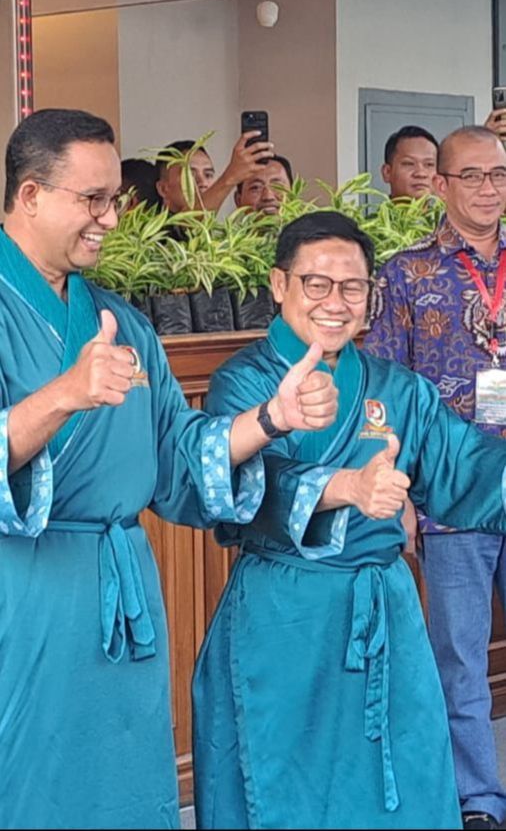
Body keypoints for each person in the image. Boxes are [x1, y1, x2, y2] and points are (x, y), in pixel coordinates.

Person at [0, 108, 339, 830]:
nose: (111, 220)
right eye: (92, 200)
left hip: (122, 597)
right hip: (24, 598)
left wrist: (270, 417)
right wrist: (64, 393)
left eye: (114, 200)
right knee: (29, 778)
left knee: (126, 782)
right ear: (29, 195)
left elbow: (180, 461)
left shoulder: (120, 319)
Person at [192, 209, 506, 831]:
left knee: (402, 776)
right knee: (285, 785)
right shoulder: (242, 381)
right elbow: (241, 489)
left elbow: (466, 467)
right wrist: (347, 487)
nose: (335, 302)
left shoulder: (399, 388)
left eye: (353, 287)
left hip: (385, 606)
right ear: (279, 285)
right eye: (317, 284)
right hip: (285, 615)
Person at [364, 125, 506, 831]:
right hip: (450, 497)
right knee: (459, 659)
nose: (489, 189)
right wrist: (401, 496)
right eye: (473, 176)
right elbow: (383, 391)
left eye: (499, 175)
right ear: (441, 185)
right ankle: (478, 801)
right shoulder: (403, 274)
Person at [156, 132, 274, 215]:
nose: (203, 183)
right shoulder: (152, 239)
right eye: (190, 175)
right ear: (163, 189)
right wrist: (231, 177)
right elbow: (187, 224)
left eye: (208, 175)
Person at [381, 125, 438, 200]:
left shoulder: (454, 211)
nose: (421, 174)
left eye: (429, 164)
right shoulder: (362, 211)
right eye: (409, 164)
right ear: (387, 172)